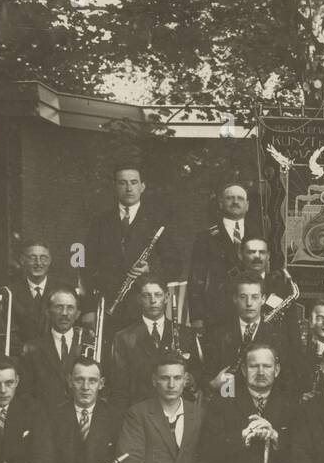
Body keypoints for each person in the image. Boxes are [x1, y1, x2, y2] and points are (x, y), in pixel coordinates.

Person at [84, 161, 177, 331]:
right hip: (108, 309)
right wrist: (89, 309)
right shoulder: (99, 223)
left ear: (142, 186)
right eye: (122, 183)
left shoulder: (158, 221)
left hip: (145, 310)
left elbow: (175, 265)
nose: (128, 188)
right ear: (115, 186)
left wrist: (150, 269)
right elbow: (87, 267)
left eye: (134, 182)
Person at [110, 278, 202, 408]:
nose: (153, 301)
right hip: (141, 413)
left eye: (158, 295)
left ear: (166, 297)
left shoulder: (186, 334)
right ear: (139, 299)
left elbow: (198, 371)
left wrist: (191, 379)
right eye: (147, 296)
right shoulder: (124, 338)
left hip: (179, 409)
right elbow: (120, 387)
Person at [205, 272, 299, 398]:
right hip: (227, 405)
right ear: (235, 299)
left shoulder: (278, 336)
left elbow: (287, 381)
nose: (249, 303)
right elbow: (206, 375)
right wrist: (213, 385)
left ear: (263, 299)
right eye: (243, 297)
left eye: (255, 297)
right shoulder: (218, 335)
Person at [187, 181, 258, 333]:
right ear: (220, 204)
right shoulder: (205, 238)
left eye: (240, 198)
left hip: (251, 311)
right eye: (230, 198)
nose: (235, 202)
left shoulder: (259, 235)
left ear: (247, 205)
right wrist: (197, 317)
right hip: (216, 312)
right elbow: (195, 280)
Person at [19, 287, 81, 408]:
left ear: (78, 314)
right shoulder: (31, 348)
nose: (64, 313)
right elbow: (24, 393)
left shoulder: (89, 343)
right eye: (59, 307)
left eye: (70, 308)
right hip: (44, 420)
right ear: (48, 312)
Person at [8, 238, 54, 343]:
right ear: (22, 261)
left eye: (43, 258)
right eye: (32, 258)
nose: (38, 263)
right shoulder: (10, 293)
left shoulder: (62, 290)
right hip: (22, 355)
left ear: (50, 261)